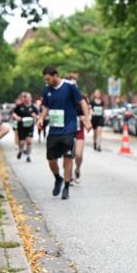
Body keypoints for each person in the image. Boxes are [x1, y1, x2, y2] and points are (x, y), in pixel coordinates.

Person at [36, 66, 90, 200]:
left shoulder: (70, 86)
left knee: (67, 157)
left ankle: (66, 187)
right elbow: (46, 106)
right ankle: (58, 178)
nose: (46, 81)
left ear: (55, 75)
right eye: (45, 79)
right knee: (51, 159)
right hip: (54, 129)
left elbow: (82, 103)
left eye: (48, 79)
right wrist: (41, 118)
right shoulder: (47, 89)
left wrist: (87, 119)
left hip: (69, 128)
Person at [65, 73, 91, 183]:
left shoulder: (82, 97)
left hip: (79, 128)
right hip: (67, 128)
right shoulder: (63, 97)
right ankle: (68, 177)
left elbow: (87, 111)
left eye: (75, 85)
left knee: (78, 155)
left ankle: (77, 169)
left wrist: (85, 119)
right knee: (68, 154)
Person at [11, 91, 39, 162]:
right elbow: (13, 114)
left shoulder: (33, 107)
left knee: (29, 141)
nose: (28, 99)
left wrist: (35, 116)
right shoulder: (20, 107)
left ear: (31, 98)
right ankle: (20, 151)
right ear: (24, 98)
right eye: (26, 97)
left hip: (30, 126)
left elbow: (39, 116)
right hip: (21, 126)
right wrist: (17, 117)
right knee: (22, 142)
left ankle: (28, 156)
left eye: (29, 97)